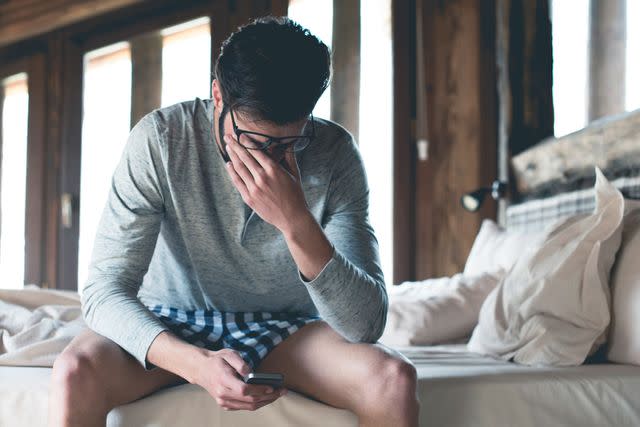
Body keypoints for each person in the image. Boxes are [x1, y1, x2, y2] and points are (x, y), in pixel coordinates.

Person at [49, 16, 419, 427]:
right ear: (218, 96)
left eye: (290, 143)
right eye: (253, 141)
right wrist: (195, 364)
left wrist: (295, 221)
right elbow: (103, 292)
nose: (270, 160)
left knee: (392, 379)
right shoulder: (161, 140)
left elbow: (364, 325)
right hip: (171, 318)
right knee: (73, 372)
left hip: (289, 327)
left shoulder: (335, 153)